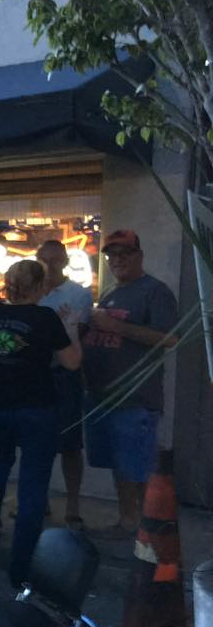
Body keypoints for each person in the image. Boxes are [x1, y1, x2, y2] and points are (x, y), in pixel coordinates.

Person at [0, 260, 81, 585]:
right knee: (33, 482)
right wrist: (72, 329)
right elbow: (72, 362)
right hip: (36, 408)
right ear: (39, 287)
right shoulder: (45, 317)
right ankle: (20, 566)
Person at [82, 229, 178, 537]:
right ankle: (128, 522)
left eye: (125, 254)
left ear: (140, 256)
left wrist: (114, 326)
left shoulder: (155, 291)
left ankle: (152, 530)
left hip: (135, 399)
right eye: (112, 255)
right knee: (120, 466)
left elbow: (169, 338)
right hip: (102, 397)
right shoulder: (111, 291)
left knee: (138, 468)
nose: (118, 260)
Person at [36, 240, 93, 529]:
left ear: (65, 261)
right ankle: (39, 500)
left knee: (70, 443)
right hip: (34, 376)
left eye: (55, 260)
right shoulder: (27, 293)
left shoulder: (79, 294)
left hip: (65, 375)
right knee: (35, 442)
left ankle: (73, 504)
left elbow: (75, 337)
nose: (49, 265)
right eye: (44, 259)